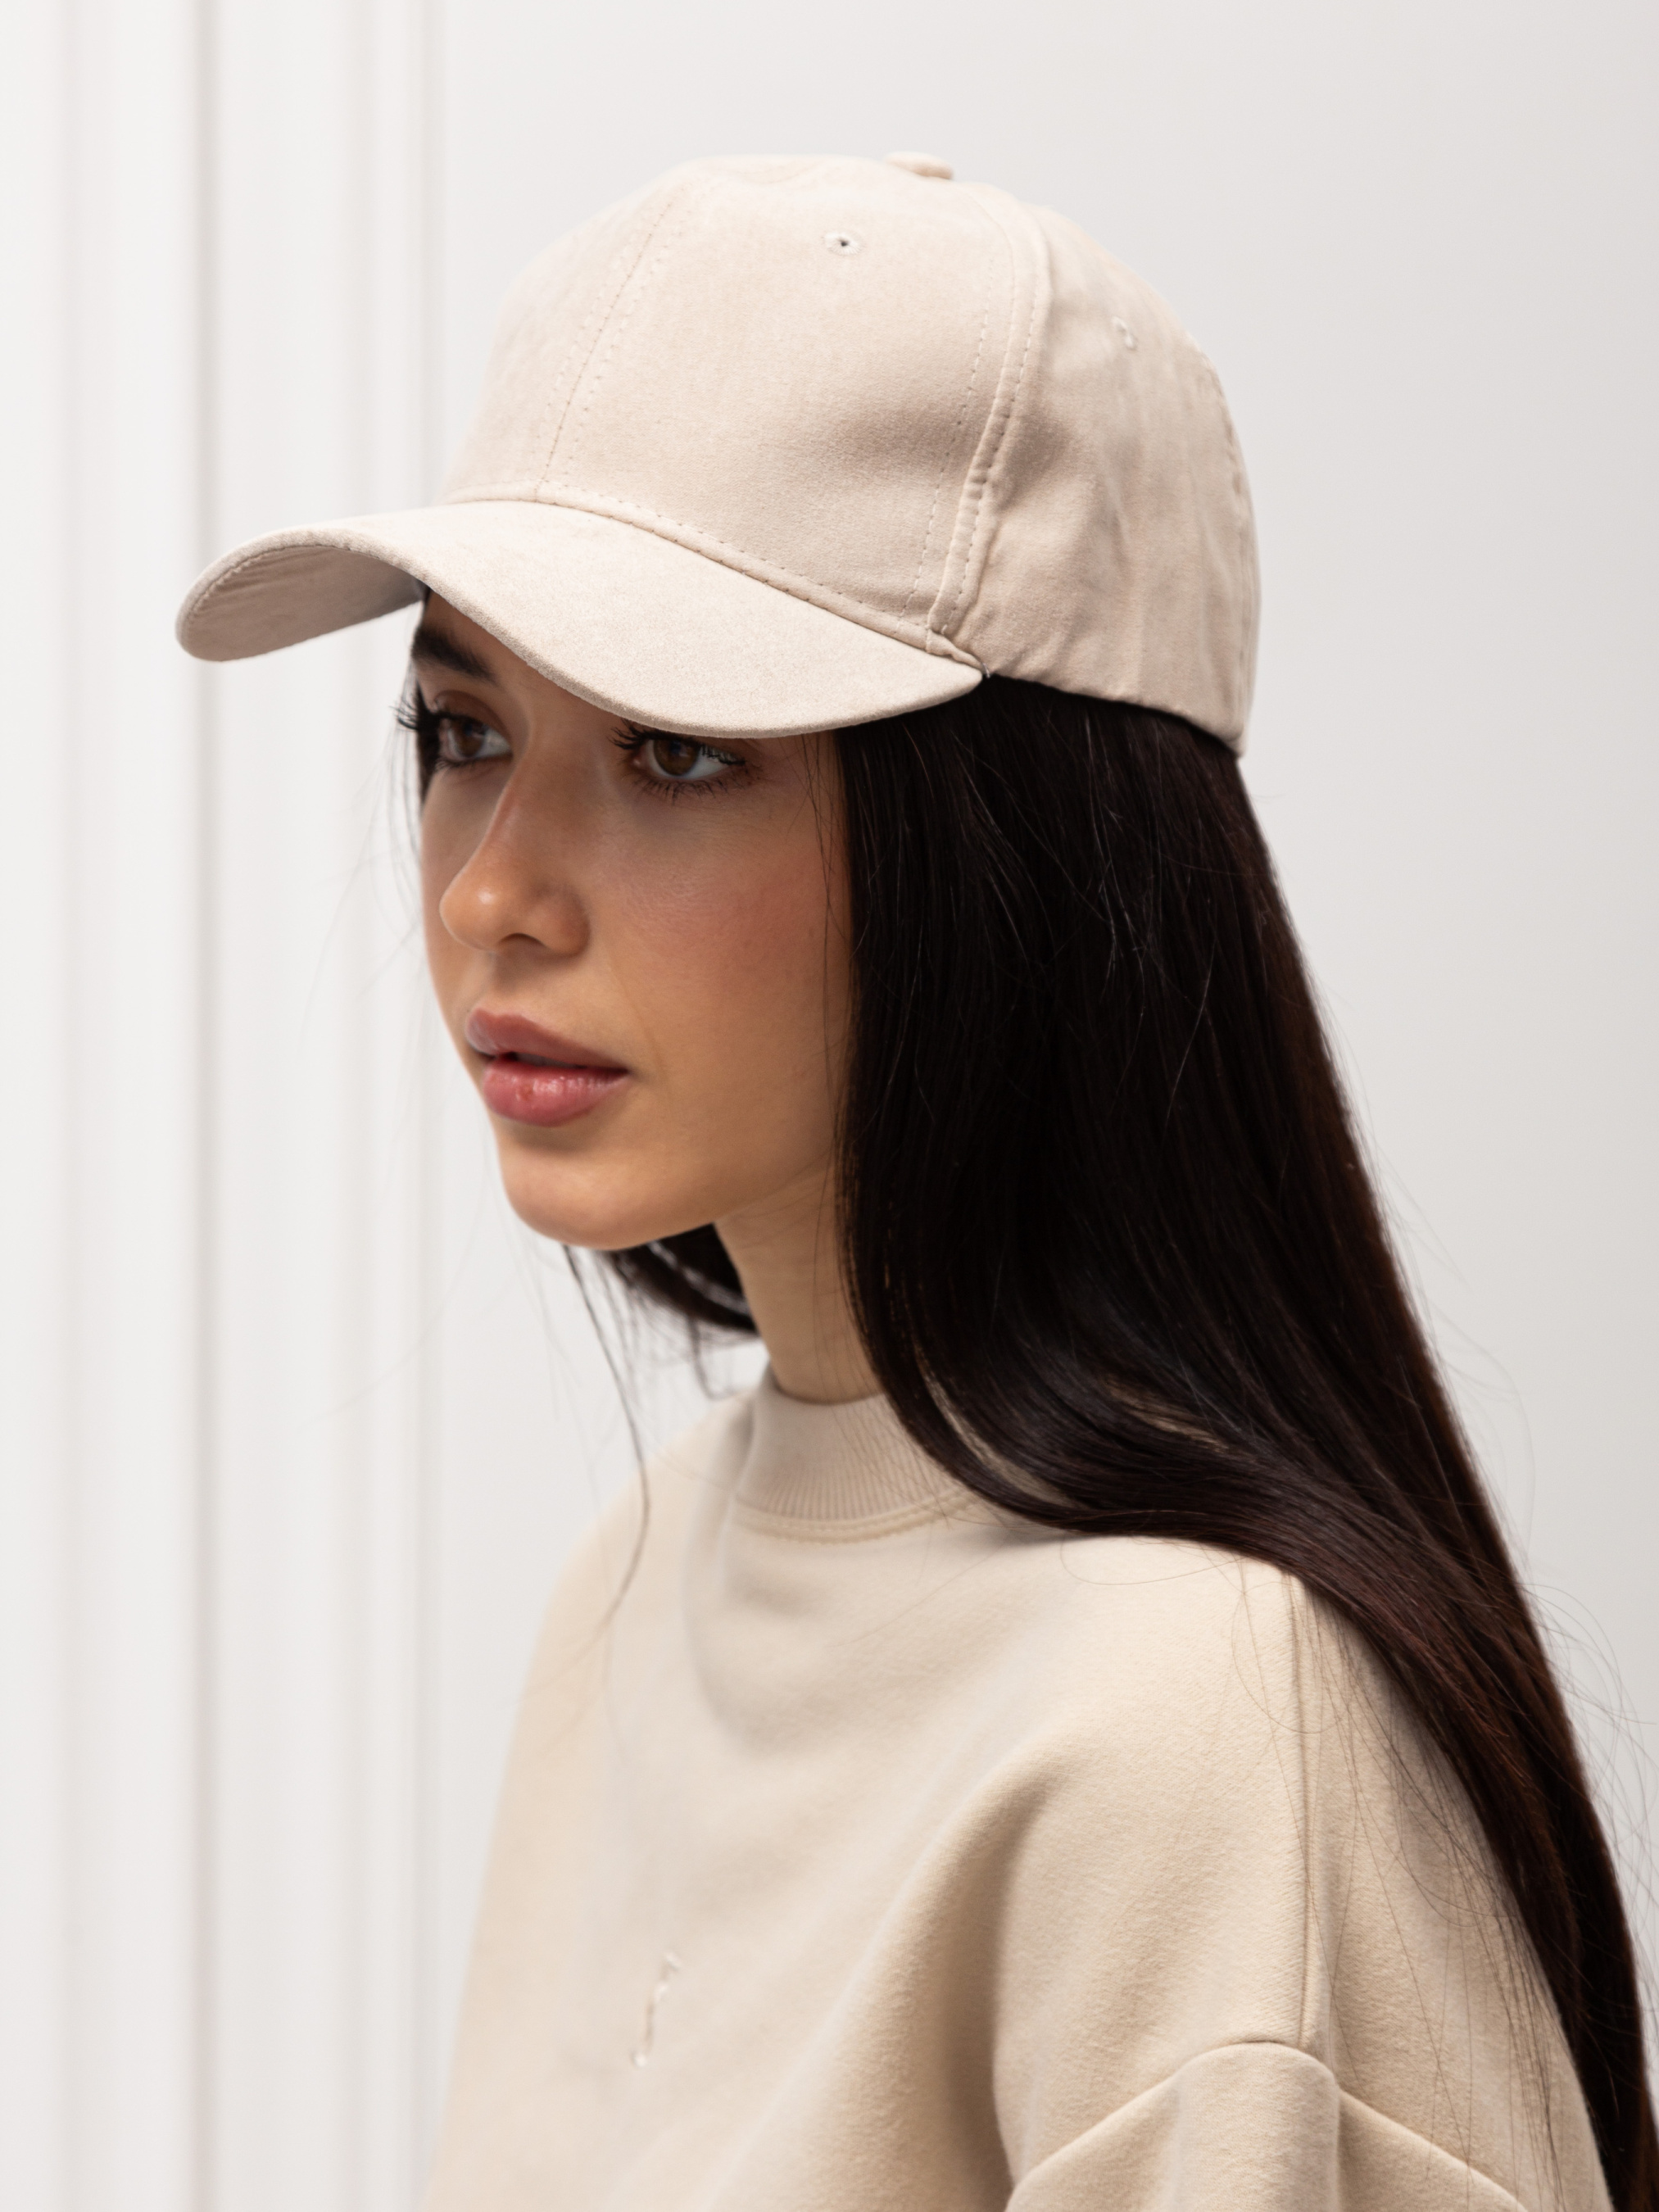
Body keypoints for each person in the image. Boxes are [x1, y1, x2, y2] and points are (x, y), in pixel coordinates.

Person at [176, 154, 1653, 2212]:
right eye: (460, 731)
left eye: (677, 750)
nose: (495, 891)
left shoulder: (1198, 1744)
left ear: (1019, 843)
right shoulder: (635, 1590)